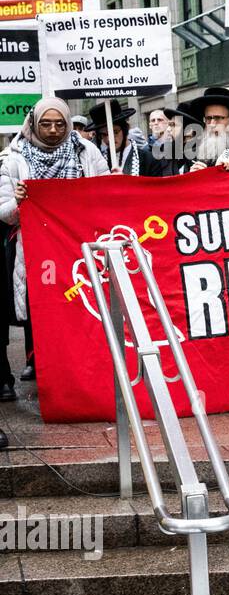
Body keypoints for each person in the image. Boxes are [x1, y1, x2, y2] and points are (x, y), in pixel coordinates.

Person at [0, 98, 110, 390]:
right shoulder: (14, 158)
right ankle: (42, 363)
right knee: (43, 307)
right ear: (34, 124)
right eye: (45, 124)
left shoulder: (86, 152)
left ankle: (82, 365)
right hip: (37, 248)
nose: (52, 130)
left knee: (79, 302)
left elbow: (106, 192)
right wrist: (19, 202)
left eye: (59, 123)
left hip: (78, 244)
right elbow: (5, 214)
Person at [89, 100, 172, 176]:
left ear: (126, 128)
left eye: (115, 132)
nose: (108, 139)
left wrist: (126, 182)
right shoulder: (97, 162)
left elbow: (155, 190)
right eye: (103, 135)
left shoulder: (148, 159)